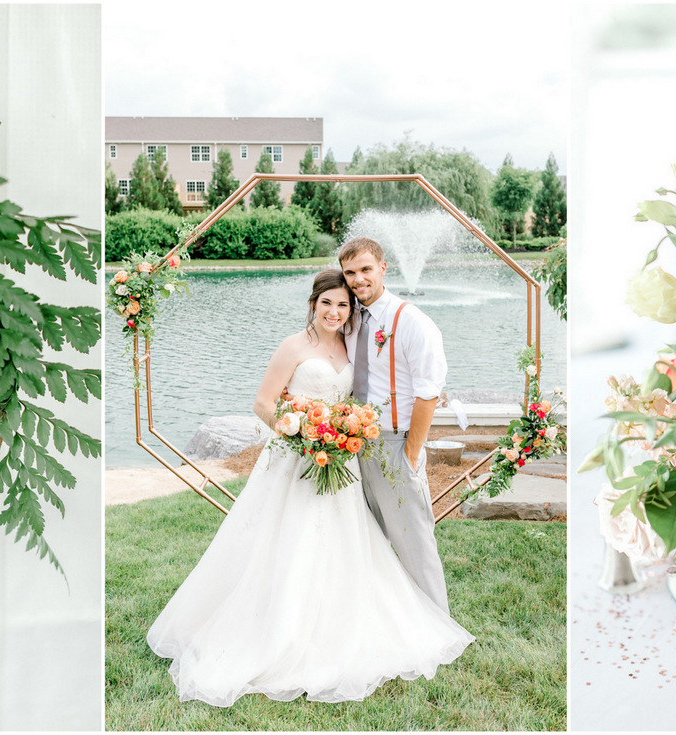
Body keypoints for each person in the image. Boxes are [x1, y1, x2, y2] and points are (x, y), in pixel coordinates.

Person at [146, 269, 472, 708]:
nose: (336, 312)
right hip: (294, 460)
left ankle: (344, 624)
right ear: (313, 304)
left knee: (346, 541)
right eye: (327, 304)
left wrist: (341, 434)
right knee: (285, 540)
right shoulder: (293, 346)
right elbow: (263, 402)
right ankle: (275, 630)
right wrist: (300, 434)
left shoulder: (351, 344)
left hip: (340, 459)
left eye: (344, 305)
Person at [338, 237, 451, 611]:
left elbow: (428, 392)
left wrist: (411, 451)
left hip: (394, 443)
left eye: (365, 269)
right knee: (363, 537)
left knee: (413, 539)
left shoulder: (412, 321)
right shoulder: (348, 320)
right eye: (350, 272)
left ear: (383, 268)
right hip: (352, 445)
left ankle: (437, 623)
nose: (358, 279)